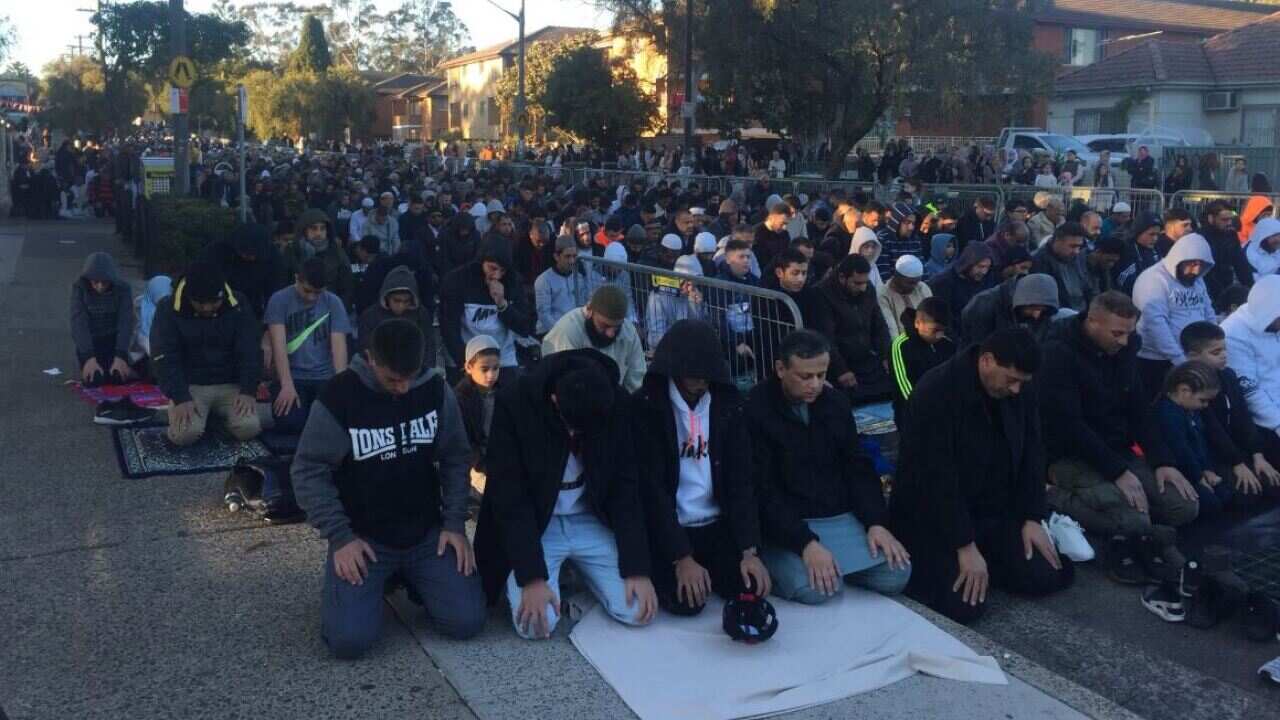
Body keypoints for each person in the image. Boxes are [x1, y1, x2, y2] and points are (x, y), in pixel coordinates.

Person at [291, 319, 484, 659]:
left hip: (425, 533)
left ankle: (412, 580)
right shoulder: (339, 396)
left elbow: (456, 456)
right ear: (371, 360)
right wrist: (341, 538)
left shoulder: (435, 389)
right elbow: (308, 471)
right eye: (393, 379)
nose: (404, 388)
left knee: (467, 621)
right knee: (348, 642)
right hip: (364, 539)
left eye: (410, 377)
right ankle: (371, 585)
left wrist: (455, 524)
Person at [474, 349, 657, 640]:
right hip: (539, 524)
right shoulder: (516, 402)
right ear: (555, 401)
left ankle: (580, 582)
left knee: (639, 610)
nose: (574, 435)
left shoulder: (616, 403)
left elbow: (625, 486)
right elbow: (510, 496)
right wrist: (531, 577)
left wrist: (637, 567)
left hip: (589, 516)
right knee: (535, 625)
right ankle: (544, 578)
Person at [892, 328, 1071, 623]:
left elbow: (1032, 452)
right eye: (1011, 380)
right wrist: (964, 544)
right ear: (987, 361)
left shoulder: (1020, 391)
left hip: (995, 511)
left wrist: (1031, 516)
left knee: (1046, 575)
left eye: (1022, 383)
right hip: (936, 517)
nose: (1016, 390)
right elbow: (935, 478)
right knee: (964, 605)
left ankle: (992, 562)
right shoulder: (936, 392)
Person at [1039, 292, 1199, 585]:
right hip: (1069, 452)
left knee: (1185, 506)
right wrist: (1118, 472)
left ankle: (1144, 527)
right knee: (1132, 521)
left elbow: (1138, 409)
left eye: (1129, 333)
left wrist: (1162, 460)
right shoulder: (1057, 354)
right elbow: (1069, 425)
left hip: (1116, 446)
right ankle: (1053, 496)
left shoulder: (1125, 349)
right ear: (1092, 322)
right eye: (1117, 333)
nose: (1124, 341)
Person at [745, 330, 911, 604]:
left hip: (836, 517)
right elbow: (762, 490)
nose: (815, 384)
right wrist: (804, 543)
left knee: (897, 572)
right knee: (817, 589)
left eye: (821, 375)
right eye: (805, 376)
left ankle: (833, 565)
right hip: (787, 523)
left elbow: (857, 466)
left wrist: (875, 523)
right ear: (780, 369)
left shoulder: (835, 403)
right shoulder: (755, 409)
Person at [633, 320, 772, 615]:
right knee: (687, 603)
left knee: (750, 589)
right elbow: (651, 490)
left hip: (717, 523)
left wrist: (749, 549)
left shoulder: (728, 406)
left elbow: (741, 480)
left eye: (708, 376)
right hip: (672, 526)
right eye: (696, 376)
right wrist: (681, 557)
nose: (703, 383)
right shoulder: (645, 409)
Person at [150, 263, 263, 447]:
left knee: (249, 429)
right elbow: (163, 357)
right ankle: (198, 418)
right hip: (191, 386)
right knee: (184, 436)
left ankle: (214, 420)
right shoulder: (167, 309)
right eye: (201, 303)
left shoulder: (239, 304)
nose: (208, 307)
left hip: (230, 383)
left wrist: (248, 390)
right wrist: (180, 397)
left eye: (214, 302)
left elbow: (250, 348)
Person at [1180, 321, 1280, 495]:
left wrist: (1258, 454)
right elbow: (1211, 428)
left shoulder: (1228, 375)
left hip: (1237, 445)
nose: (1224, 355)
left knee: (1271, 478)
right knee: (1246, 492)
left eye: (1225, 349)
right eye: (1216, 352)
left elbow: (1243, 416)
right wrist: (1237, 462)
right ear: (1192, 356)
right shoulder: (1188, 386)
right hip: (1213, 453)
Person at [265, 257, 352, 435]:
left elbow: (338, 347)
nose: (312, 297)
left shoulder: (333, 302)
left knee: (331, 423)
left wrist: (341, 386)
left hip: (324, 376)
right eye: (307, 291)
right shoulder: (279, 299)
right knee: (290, 423)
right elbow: (278, 345)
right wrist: (286, 384)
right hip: (293, 375)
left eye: (317, 293)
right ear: (297, 279)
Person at [1149, 362, 1239, 524]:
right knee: (1211, 505)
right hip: (1180, 469)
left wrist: (1207, 469)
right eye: (1203, 400)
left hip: (1198, 466)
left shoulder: (1190, 410)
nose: (1206, 406)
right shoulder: (1168, 414)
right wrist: (1198, 477)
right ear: (1184, 391)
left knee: (1228, 495)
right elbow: (1181, 450)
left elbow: (1199, 443)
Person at [1132, 233, 1215, 400]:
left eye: (1201, 265)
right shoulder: (1153, 279)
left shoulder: (1197, 279)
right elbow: (1155, 324)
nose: (1197, 270)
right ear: (1179, 259)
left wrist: (1213, 342)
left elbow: (1208, 311)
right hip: (1158, 360)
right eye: (1192, 264)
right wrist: (1179, 360)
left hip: (1192, 357)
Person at [439, 237, 536, 376]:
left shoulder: (513, 281)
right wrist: (465, 363)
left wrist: (502, 304)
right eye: (492, 268)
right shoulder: (458, 281)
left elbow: (525, 327)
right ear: (481, 262)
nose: (496, 275)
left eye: (502, 271)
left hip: (504, 358)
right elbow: (449, 329)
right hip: (468, 358)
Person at [816, 254, 895, 404]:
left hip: (866, 358)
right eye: (857, 283)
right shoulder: (822, 294)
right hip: (840, 362)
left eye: (865, 282)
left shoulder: (868, 289)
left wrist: (886, 356)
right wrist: (841, 370)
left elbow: (879, 325)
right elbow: (826, 339)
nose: (863, 288)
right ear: (842, 277)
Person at [542, 285, 647, 393]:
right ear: (589, 311)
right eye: (605, 325)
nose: (611, 334)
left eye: (617, 327)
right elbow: (566, 386)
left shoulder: (628, 332)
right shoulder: (568, 331)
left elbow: (637, 379)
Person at [1222, 276, 1280, 467]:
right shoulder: (1234, 333)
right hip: (1263, 421)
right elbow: (1250, 391)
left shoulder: (1274, 322)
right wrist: (1277, 423)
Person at [889, 298, 956, 429]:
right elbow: (904, 385)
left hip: (947, 414)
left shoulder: (947, 342)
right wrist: (924, 409)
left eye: (942, 330)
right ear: (918, 323)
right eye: (935, 330)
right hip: (914, 416)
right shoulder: (901, 345)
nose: (939, 335)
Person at [198, 223, 288, 320]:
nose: (250, 258)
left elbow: (275, 289)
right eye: (246, 253)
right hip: (220, 306)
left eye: (254, 255)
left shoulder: (272, 257)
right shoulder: (217, 251)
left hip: (253, 307)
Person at [71, 252, 135, 387]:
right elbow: (79, 323)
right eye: (95, 282)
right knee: (94, 381)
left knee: (117, 379)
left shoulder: (123, 289)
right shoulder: (79, 288)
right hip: (92, 342)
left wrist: (121, 354)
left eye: (104, 282)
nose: (100, 286)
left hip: (113, 341)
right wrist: (88, 357)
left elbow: (126, 322)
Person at [456, 335, 504, 495]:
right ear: (469, 367)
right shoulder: (460, 398)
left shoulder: (506, 392)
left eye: (496, 368)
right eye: (484, 369)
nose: (491, 375)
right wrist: (483, 466)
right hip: (476, 465)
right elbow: (463, 443)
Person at [357, 265, 434, 362]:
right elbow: (365, 350)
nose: (401, 306)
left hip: (415, 372)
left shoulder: (421, 314)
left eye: (406, 301)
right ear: (387, 297)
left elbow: (428, 348)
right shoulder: (370, 316)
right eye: (397, 301)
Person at [959, 272, 1060, 346]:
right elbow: (979, 351)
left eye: (1042, 310)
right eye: (1034, 308)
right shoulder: (984, 305)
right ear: (1023, 300)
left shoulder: (1042, 313)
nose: (1036, 315)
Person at [284, 209, 356, 309]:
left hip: (329, 309)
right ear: (304, 230)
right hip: (296, 310)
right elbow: (283, 285)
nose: (318, 233)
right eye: (313, 229)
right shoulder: (292, 252)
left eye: (322, 229)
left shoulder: (337, 253)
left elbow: (347, 288)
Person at [646, 255, 708, 349]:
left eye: (694, 284)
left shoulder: (694, 293)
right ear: (677, 278)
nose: (690, 288)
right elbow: (655, 336)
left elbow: (698, 327)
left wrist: (695, 305)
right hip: (664, 350)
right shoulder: (657, 296)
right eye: (687, 283)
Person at [534, 236, 590, 335]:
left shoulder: (580, 277)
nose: (572, 261)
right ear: (556, 257)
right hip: (550, 332)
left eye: (574, 256)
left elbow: (584, 304)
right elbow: (544, 315)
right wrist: (563, 332)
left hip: (576, 329)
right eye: (567, 256)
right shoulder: (543, 280)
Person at [1030, 222, 1091, 313]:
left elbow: (1087, 288)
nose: (1076, 251)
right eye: (1072, 246)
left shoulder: (1077, 258)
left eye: (1079, 246)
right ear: (1057, 240)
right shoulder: (1038, 261)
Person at [927, 243, 994, 322]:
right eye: (981, 266)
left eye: (987, 267)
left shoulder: (985, 279)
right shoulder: (943, 283)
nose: (984, 272)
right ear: (968, 264)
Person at [1202, 201, 1255, 300]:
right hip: (1205, 289)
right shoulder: (1200, 237)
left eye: (1230, 219)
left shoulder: (1231, 235)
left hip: (1226, 287)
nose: (1229, 223)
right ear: (1211, 218)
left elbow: (1241, 264)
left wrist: (1251, 289)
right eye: (1224, 220)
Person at [877, 254, 932, 338]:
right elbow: (891, 329)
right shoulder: (883, 293)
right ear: (897, 277)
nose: (915, 286)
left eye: (917, 282)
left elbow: (933, 319)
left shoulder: (922, 287)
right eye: (910, 283)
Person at [1115, 213, 1164, 295]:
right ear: (1138, 233)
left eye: (1157, 234)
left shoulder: (1156, 249)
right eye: (1151, 234)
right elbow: (1125, 282)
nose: (1155, 238)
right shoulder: (1127, 250)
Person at [875, 202, 922, 279]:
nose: (911, 227)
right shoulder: (883, 239)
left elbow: (921, 267)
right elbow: (884, 273)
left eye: (913, 223)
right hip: (892, 287)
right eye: (907, 222)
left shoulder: (915, 240)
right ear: (896, 221)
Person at [753, 200, 792, 270]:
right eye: (783, 223)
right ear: (773, 217)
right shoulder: (757, 233)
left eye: (786, 224)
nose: (784, 227)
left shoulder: (785, 235)